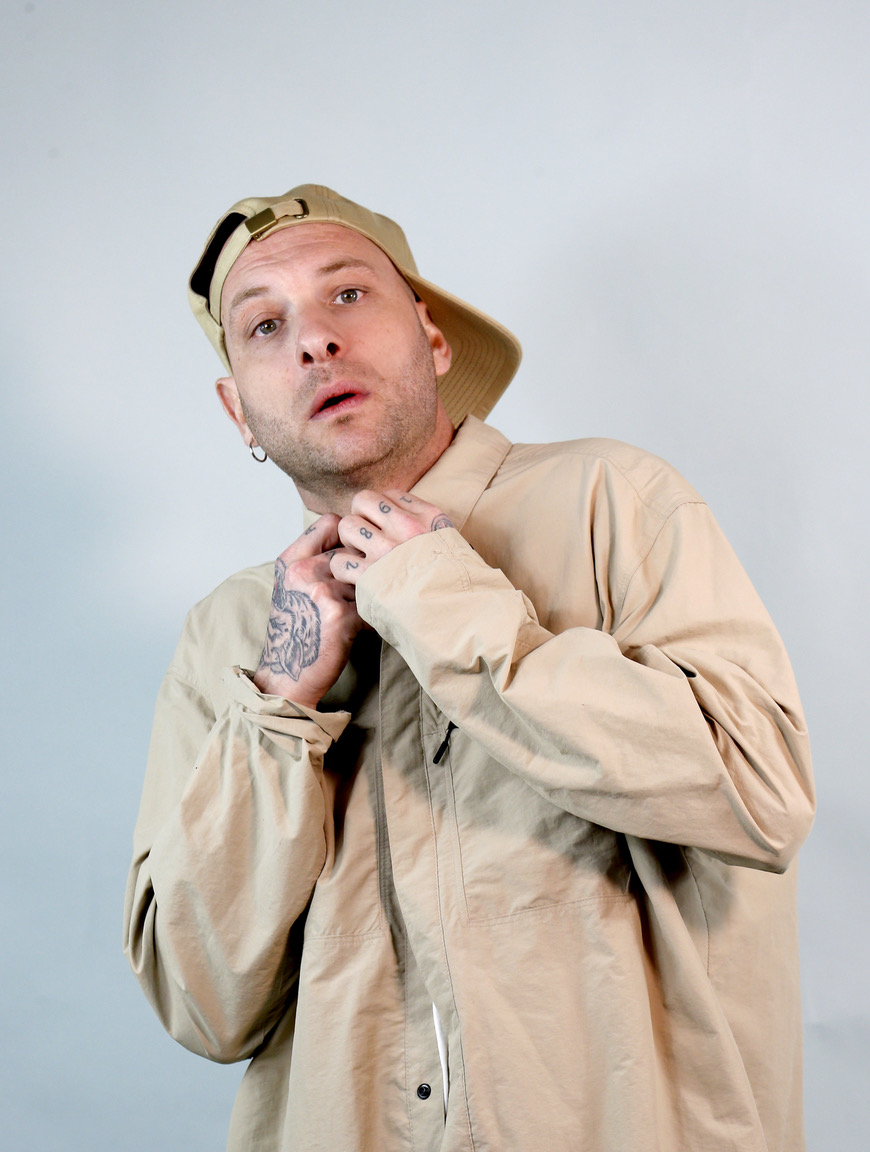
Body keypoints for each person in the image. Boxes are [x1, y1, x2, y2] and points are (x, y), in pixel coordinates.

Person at [123, 184, 815, 1152]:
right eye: (265, 325)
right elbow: (204, 1006)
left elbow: (760, 793)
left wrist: (439, 598)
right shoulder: (229, 636)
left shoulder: (613, 499)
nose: (314, 340)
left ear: (434, 338)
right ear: (239, 410)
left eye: (348, 295)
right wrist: (279, 704)